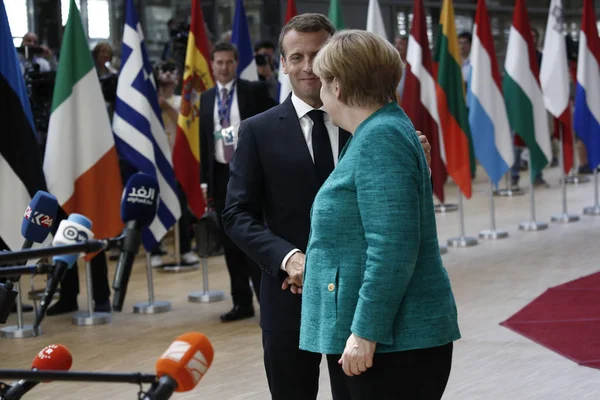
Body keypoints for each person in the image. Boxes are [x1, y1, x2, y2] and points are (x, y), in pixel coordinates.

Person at [222, 14, 432, 399]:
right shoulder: (258, 130)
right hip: (289, 294)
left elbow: (391, 217)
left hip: (358, 296)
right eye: (296, 56)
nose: (307, 67)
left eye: (317, 55)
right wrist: (290, 259)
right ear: (282, 63)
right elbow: (236, 214)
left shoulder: (370, 125)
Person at [298, 29, 460, 400]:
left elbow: (393, 247)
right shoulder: (380, 129)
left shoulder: (379, 137)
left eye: (323, 80)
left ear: (337, 86)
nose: (320, 91)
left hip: (393, 344)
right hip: (390, 341)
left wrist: (366, 331)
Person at [199, 41, 276, 322]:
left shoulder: (252, 90)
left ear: (236, 63)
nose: (223, 67)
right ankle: (241, 302)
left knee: (253, 237)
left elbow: (272, 125)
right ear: (212, 64)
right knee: (230, 241)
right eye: (218, 62)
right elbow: (204, 140)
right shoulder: (206, 98)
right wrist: (203, 180)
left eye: (229, 62)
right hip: (220, 175)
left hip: (250, 172)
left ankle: (265, 302)